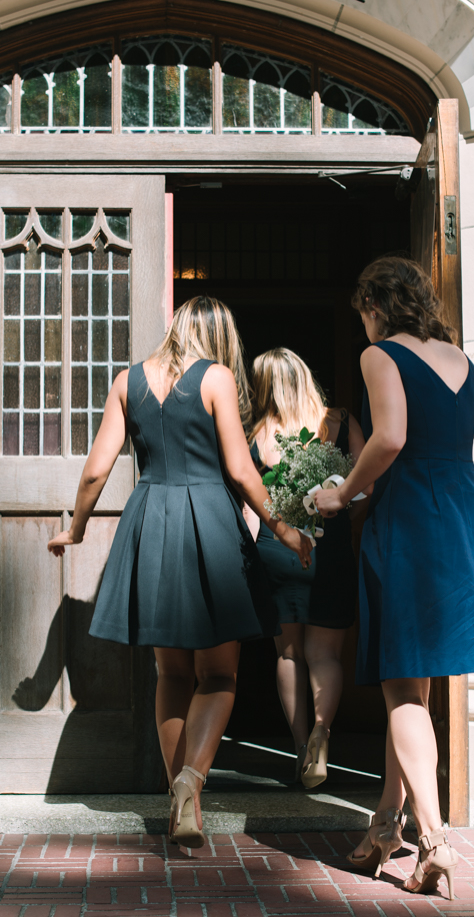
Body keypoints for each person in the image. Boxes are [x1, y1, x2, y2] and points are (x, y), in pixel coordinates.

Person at [46, 296, 311, 851]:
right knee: (220, 676)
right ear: (219, 337)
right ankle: (191, 783)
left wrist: (76, 529)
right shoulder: (214, 378)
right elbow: (240, 470)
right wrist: (284, 529)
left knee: (172, 675)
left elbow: (97, 469)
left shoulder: (126, 382)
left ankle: (177, 793)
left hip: (151, 523)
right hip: (210, 522)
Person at [311, 255, 474, 900]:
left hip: (408, 522)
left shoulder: (381, 356)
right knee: (419, 694)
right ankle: (383, 827)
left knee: (403, 691)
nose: (365, 325)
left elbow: (392, 436)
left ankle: (433, 844)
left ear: (375, 306)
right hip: (462, 518)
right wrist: (456, 431)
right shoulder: (461, 360)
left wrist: (341, 492)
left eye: (364, 313)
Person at [245, 347, 366, 788]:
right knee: (326, 655)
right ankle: (321, 731)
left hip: (276, 550)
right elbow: (366, 485)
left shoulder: (258, 435)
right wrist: (338, 522)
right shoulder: (341, 422)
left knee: (289, 654)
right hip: (329, 549)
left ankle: (300, 751)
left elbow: (249, 505)